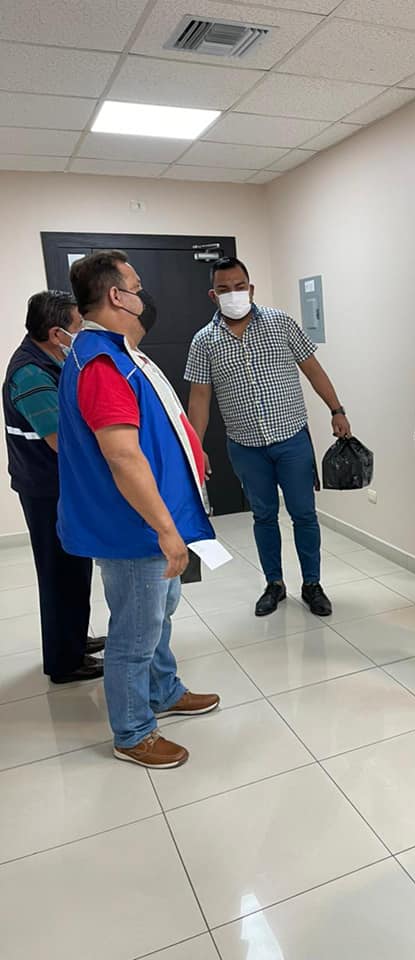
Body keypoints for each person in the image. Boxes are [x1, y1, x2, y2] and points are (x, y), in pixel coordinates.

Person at [58, 250, 220, 769]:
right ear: (116, 296)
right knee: (135, 631)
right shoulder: (102, 365)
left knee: (159, 613)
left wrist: (191, 453)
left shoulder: (116, 352)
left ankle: (163, 689)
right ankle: (132, 732)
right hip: (134, 527)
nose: (143, 294)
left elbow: (155, 423)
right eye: (136, 285)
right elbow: (123, 456)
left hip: (147, 519)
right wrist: (166, 530)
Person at [185, 256, 351, 618]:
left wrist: (336, 409)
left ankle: (312, 584)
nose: (233, 294)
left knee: (304, 514)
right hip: (245, 447)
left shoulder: (280, 323)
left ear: (251, 288)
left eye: (239, 286)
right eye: (224, 289)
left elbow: (313, 369)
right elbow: (199, 399)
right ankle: (274, 584)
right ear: (213, 295)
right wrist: (195, 447)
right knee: (263, 516)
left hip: (291, 439)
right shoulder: (204, 341)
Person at [2, 291, 105, 684]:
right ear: (56, 333)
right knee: (60, 573)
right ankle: (65, 662)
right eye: (78, 326)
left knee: (75, 567)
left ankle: (75, 640)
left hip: (58, 485)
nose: (83, 332)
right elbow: (62, 440)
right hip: (46, 490)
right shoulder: (30, 372)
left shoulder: (51, 358)